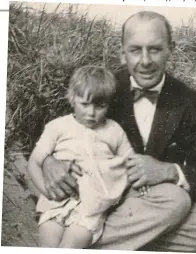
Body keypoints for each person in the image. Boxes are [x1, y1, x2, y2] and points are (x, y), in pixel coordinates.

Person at [41, 11, 196, 252]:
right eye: (135, 50)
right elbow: (51, 133)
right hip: (95, 191)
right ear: (122, 52)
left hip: (145, 201)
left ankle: (78, 239)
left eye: (155, 49)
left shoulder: (189, 102)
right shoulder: (103, 88)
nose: (145, 61)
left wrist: (169, 171)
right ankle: (82, 239)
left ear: (171, 49)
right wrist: (49, 161)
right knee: (176, 200)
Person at [27, 65, 142, 248]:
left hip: (90, 209)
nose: (91, 113)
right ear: (72, 99)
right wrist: (46, 191)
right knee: (48, 241)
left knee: (72, 243)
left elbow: (131, 161)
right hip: (56, 202)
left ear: (108, 105)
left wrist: (139, 181)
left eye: (100, 106)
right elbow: (34, 161)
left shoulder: (114, 131)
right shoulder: (58, 127)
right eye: (85, 104)